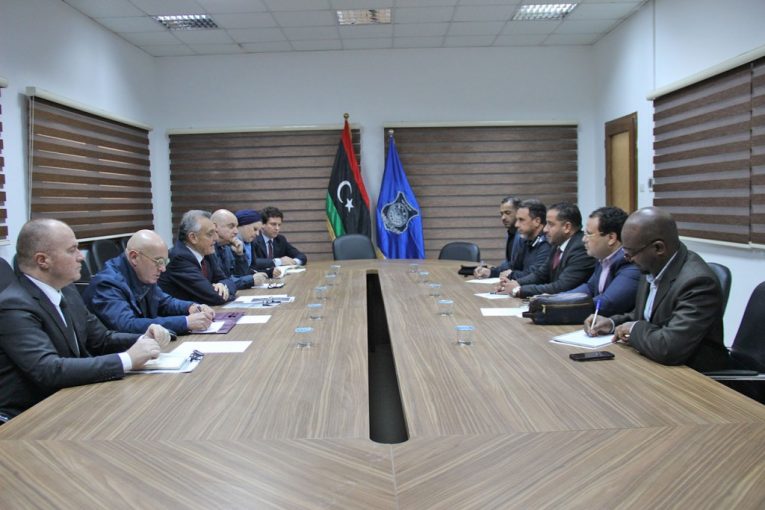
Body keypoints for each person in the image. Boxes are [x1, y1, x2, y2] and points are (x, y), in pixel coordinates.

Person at [0, 219, 169, 421]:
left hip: (71, 399)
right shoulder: (13, 305)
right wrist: (127, 360)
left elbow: (101, 339)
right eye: (72, 250)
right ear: (43, 260)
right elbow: (49, 370)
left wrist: (142, 338)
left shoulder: (67, 291)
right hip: (29, 417)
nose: (81, 257)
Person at [586, 207, 730, 371]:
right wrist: (612, 323)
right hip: (653, 363)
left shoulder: (698, 283)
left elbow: (669, 347)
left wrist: (633, 328)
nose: (628, 259)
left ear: (658, 248)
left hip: (693, 374)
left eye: (630, 253)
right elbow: (646, 316)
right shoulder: (652, 265)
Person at [83, 230, 214, 335]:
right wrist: (185, 322)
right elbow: (127, 325)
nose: (163, 269)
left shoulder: (143, 274)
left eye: (165, 262)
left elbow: (164, 302)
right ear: (134, 257)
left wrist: (190, 307)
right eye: (158, 262)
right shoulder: (107, 284)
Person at [498, 202, 595, 298]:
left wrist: (519, 290)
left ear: (567, 227)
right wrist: (516, 283)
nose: (545, 229)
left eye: (550, 224)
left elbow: (561, 286)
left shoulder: (581, 248)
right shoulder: (557, 245)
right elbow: (540, 275)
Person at [561, 207, 640, 316]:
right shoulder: (602, 258)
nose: (584, 239)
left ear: (611, 238)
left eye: (589, 234)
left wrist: (556, 306)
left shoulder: (628, 262)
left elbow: (607, 304)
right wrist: (556, 298)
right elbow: (589, 288)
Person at [158, 210, 237, 305]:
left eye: (215, 232)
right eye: (210, 234)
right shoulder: (179, 258)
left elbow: (227, 280)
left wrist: (222, 285)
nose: (216, 238)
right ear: (193, 237)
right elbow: (214, 297)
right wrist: (225, 292)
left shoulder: (206, 252)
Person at [211, 209, 267, 289]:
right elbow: (220, 282)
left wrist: (239, 255)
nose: (236, 231)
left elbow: (241, 276)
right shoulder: (209, 249)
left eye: (236, 227)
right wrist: (250, 280)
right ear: (215, 227)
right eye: (231, 226)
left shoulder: (228, 246)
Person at [474, 196, 524, 279]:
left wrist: (493, 272)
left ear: (519, 213)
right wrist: (490, 270)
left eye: (507, 213)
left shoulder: (523, 237)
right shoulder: (511, 234)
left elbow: (516, 267)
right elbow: (509, 264)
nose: (503, 218)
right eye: (502, 214)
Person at [251, 206, 307, 274]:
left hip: (278, 276)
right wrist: (279, 261)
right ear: (262, 224)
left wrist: (294, 261)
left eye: (279, 225)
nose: (277, 228)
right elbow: (253, 262)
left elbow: (302, 256)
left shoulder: (280, 239)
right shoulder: (254, 239)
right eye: (273, 224)